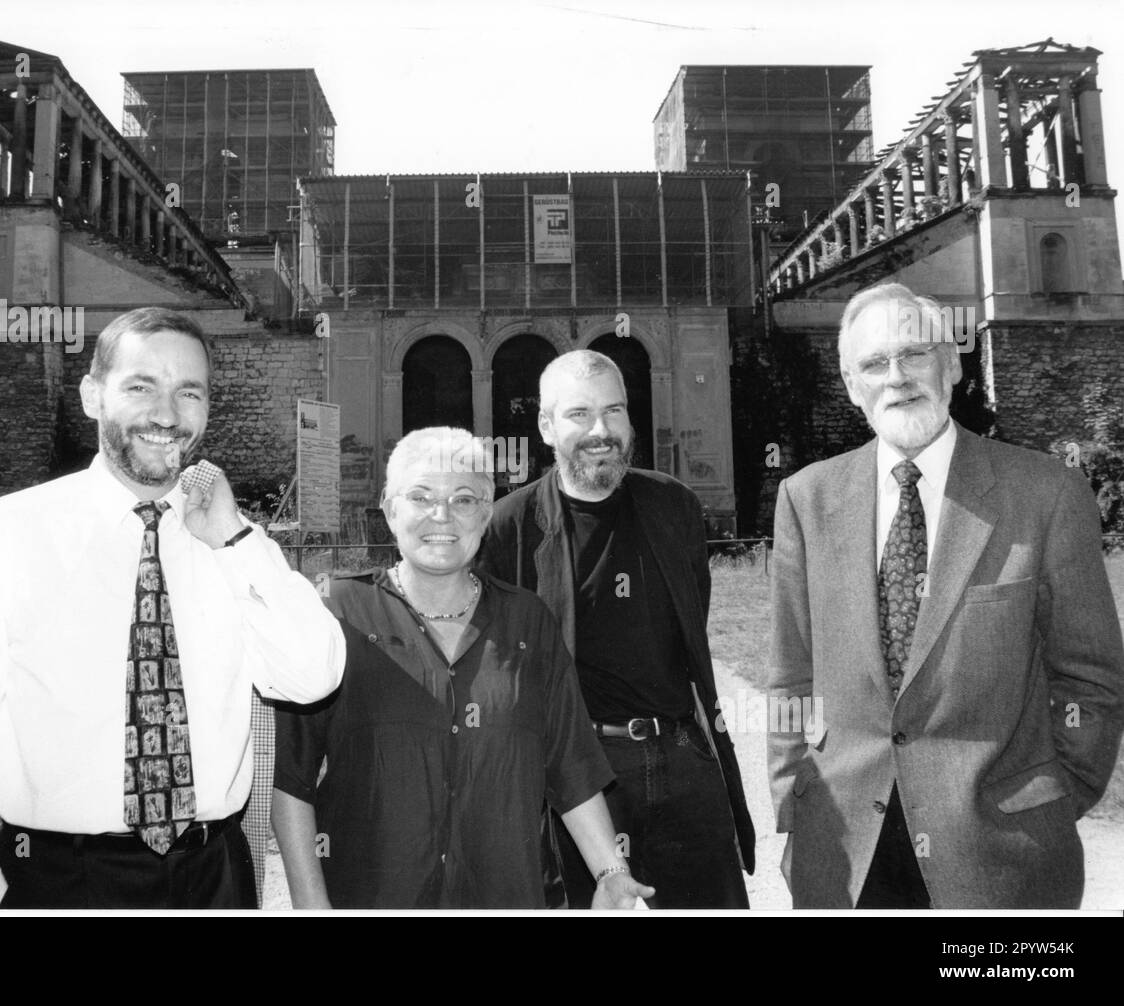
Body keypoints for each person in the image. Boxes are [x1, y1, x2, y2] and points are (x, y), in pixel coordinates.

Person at [0, 307, 345, 909]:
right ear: (92, 395)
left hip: (211, 878)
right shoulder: (8, 535)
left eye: (189, 392)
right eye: (141, 386)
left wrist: (237, 540)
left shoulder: (231, 544)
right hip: (57, 882)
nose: (167, 414)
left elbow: (312, 676)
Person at [768, 282, 1124, 908]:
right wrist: (792, 797)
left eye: (916, 353)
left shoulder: (1046, 494)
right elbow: (791, 676)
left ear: (952, 363)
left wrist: (1059, 793)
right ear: (853, 387)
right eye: (874, 364)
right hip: (845, 854)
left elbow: (1090, 676)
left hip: (1002, 856)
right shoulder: (807, 499)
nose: (897, 377)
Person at [271, 427, 653, 909]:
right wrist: (311, 905)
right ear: (390, 510)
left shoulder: (527, 619)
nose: (441, 515)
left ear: (487, 514)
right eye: (421, 497)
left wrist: (612, 872)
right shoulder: (336, 611)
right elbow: (291, 780)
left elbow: (571, 765)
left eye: (464, 499)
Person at [479, 351, 755, 909]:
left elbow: (691, 625)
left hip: (683, 759)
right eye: (579, 414)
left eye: (614, 411)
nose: (600, 431)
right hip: (579, 775)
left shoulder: (674, 505)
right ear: (546, 427)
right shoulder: (510, 526)